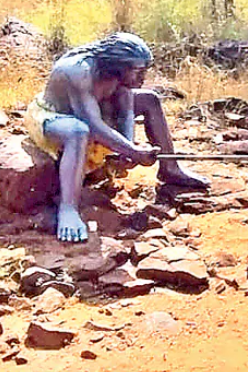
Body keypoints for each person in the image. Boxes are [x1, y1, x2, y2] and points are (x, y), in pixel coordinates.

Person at [25, 32, 209, 243]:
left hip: (94, 111)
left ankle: (171, 169)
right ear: (119, 65)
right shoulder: (78, 71)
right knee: (78, 131)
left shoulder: (117, 74)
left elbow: (125, 107)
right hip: (55, 116)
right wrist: (133, 152)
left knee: (150, 99)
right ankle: (68, 208)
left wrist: (127, 151)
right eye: (138, 72)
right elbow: (92, 125)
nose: (143, 78)